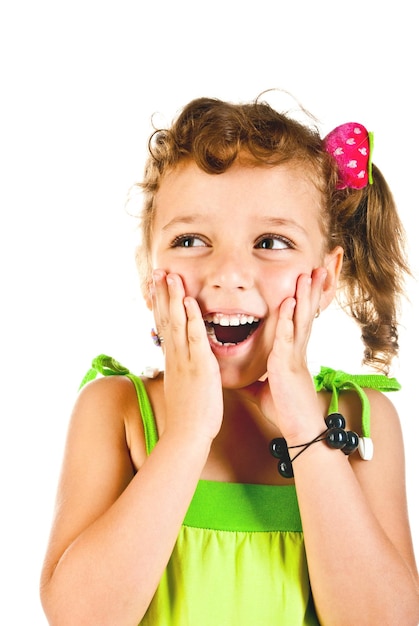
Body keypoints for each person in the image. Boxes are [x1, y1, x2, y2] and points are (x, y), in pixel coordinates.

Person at [40, 94, 419, 625]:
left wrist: (305, 427)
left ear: (326, 278)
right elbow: (80, 617)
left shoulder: (360, 420)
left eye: (271, 241)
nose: (229, 273)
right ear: (151, 274)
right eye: (191, 240)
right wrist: (188, 432)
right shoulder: (117, 410)